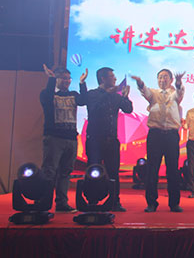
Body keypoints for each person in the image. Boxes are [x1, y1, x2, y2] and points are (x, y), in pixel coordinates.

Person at [132, 69, 185, 213]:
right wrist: (140, 82)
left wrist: (179, 83)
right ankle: (151, 203)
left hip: (171, 135)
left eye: (165, 77)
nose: (163, 80)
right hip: (155, 135)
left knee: (173, 170)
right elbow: (145, 92)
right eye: (160, 77)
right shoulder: (154, 93)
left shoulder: (174, 94)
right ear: (157, 80)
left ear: (171, 80)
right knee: (152, 169)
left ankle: (174, 203)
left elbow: (179, 93)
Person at [40, 65, 88, 213]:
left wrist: (82, 83)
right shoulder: (48, 94)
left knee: (66, 172)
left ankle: (62, 203)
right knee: (49, 171)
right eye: (63, 78)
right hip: (54, 138)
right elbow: (47, 98)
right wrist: (51, 78)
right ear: (56, 79)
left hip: (71, 138)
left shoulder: (73, 94)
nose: (66, 81)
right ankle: (43, 203)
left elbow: (84, 100)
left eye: (68, 79)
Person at [85, 67, 133, 212]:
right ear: (103, 78)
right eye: (112, 76)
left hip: (111, 140)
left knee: (113, 172)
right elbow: (94, 109)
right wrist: (107, 93)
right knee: (93, 169)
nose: (115, 79)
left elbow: (128, 109)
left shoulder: (116, 96)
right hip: (95, 140)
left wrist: (125, 96)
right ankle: (92, 200)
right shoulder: (92, 94)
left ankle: (114, 201)